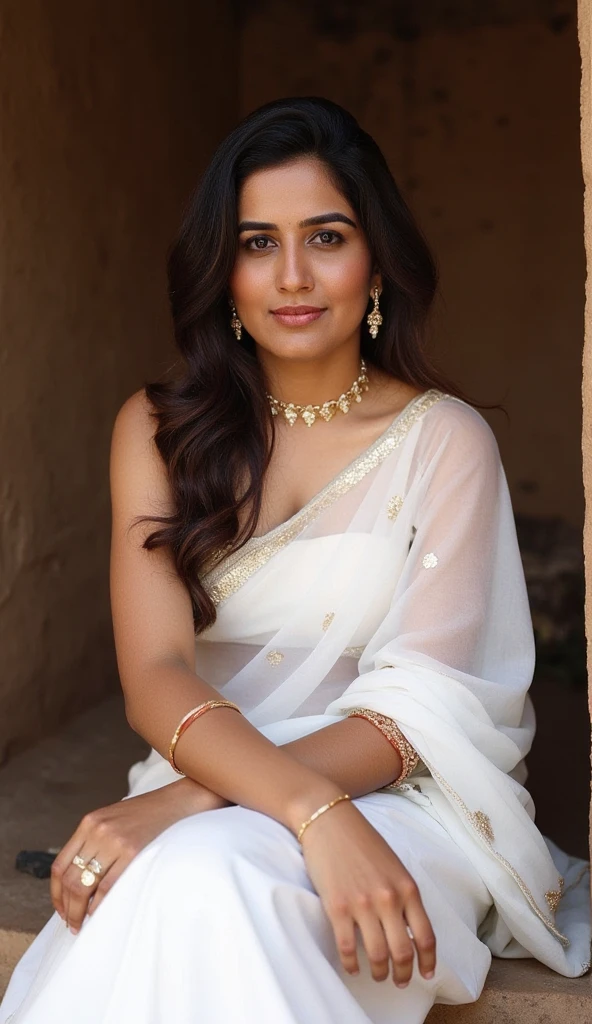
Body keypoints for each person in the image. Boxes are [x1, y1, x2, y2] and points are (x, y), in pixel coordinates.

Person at [0, 96, 590, 1024]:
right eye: (257, 242)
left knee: (205, 878)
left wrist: (256, 806)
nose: (293, 276)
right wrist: (257, 799)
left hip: (405, 801)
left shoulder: (444, 441)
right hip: (226, 779)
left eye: (325, 236)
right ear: (223, 270)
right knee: (193, 880)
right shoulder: (159, 433)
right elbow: (154, 673)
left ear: (377, 258)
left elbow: (426, 710)